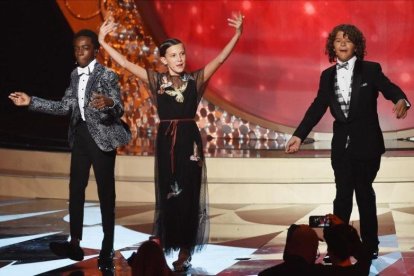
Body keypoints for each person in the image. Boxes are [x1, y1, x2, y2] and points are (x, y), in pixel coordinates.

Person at [98, 12, 243, 272]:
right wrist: (103, 41)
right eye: (173, 55)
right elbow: (124, 63)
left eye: (182, 54)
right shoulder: (157, 80)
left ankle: (185, 251)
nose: (179, 59)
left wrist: (237, 35)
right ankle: (160, 245)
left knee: (188, 194)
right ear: (164, 60)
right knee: (168, 194)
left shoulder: (194, 80)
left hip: (189, 142)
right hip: (166, 141)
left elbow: (220, 59)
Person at [9, 29, 131, 272]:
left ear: (95, 50)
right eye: (76, 48)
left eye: (85, 47)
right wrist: (31, 101)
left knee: (107, 193)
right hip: (81, 137)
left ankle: (107, 246)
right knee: (76, 190)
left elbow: (118, 107)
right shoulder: (74, 75)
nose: (80, 52)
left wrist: (109, 103)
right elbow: (63, 107)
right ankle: (74, 242)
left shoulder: (107, 75)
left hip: (103, 137)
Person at [285, 24, 410, 260]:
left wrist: (402, 99)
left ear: (356, 46)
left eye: (348, 40)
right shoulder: (327, 75)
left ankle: (370, 245)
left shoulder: (371, 70)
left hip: (367, 144)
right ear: (332, 45)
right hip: (341, 146)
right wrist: (299, 135)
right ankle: (337, 247)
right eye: (338, 40)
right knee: (342, 196)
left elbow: (389, 88)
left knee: (364, 193)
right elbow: (317, 108)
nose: (343, 43)